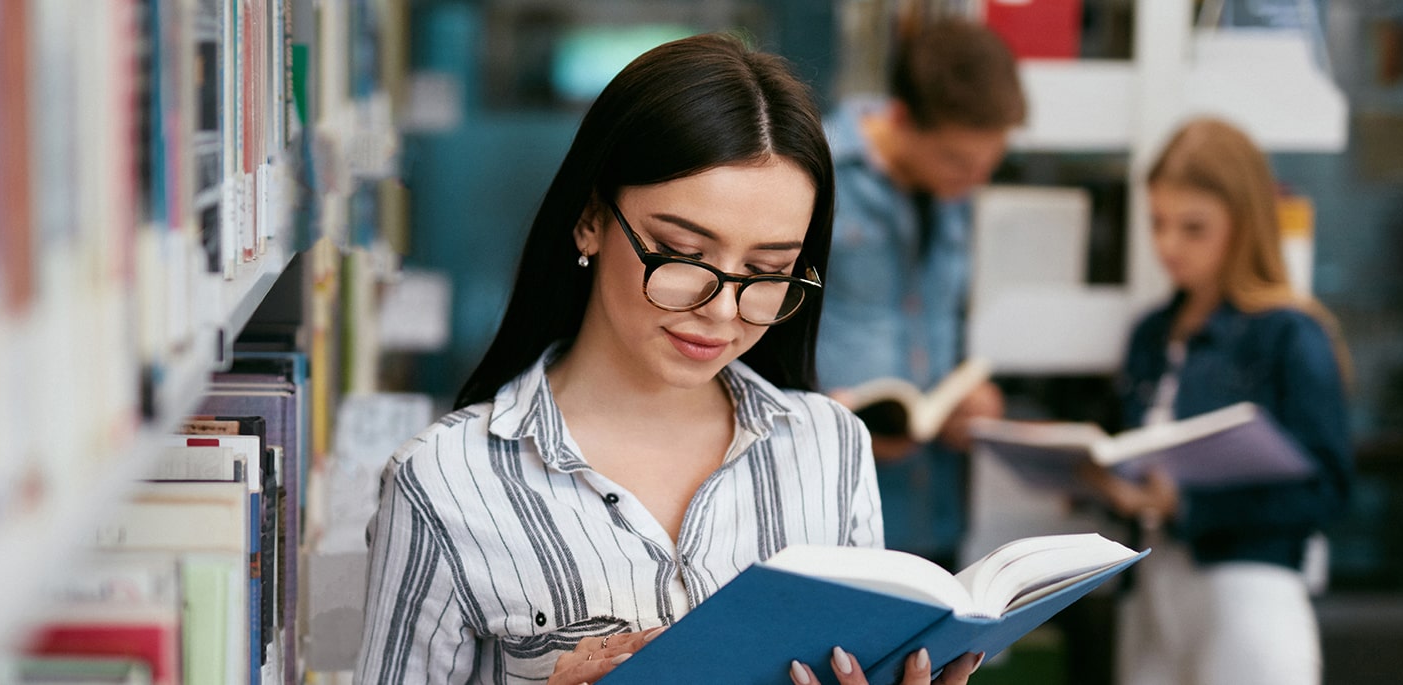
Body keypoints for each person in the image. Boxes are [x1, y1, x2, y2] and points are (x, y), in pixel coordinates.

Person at [353, 34, 983, 685]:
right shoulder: (443, 481)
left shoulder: (832, 450)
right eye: (683, 255)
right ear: (591, 219)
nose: (722, 309)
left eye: (768, 271)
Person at [1077, 118, 1353, 685]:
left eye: (1193, 228)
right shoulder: (1151, 333)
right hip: (1152, 594)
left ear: (1244, 224)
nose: (1168, 246)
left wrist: (1187, 506)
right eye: (1157, 223)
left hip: (1249, 599)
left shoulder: (1290, 334)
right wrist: (1103, 483)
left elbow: (1329, 489)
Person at [818, 18, 1025, 570]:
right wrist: (821, 413)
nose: (973, 181)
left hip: (935, 508)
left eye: (988, 163)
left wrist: (971, 403)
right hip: (831, 504)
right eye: (958, 161)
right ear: (901, 117)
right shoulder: (814, 172)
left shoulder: (952, 191)